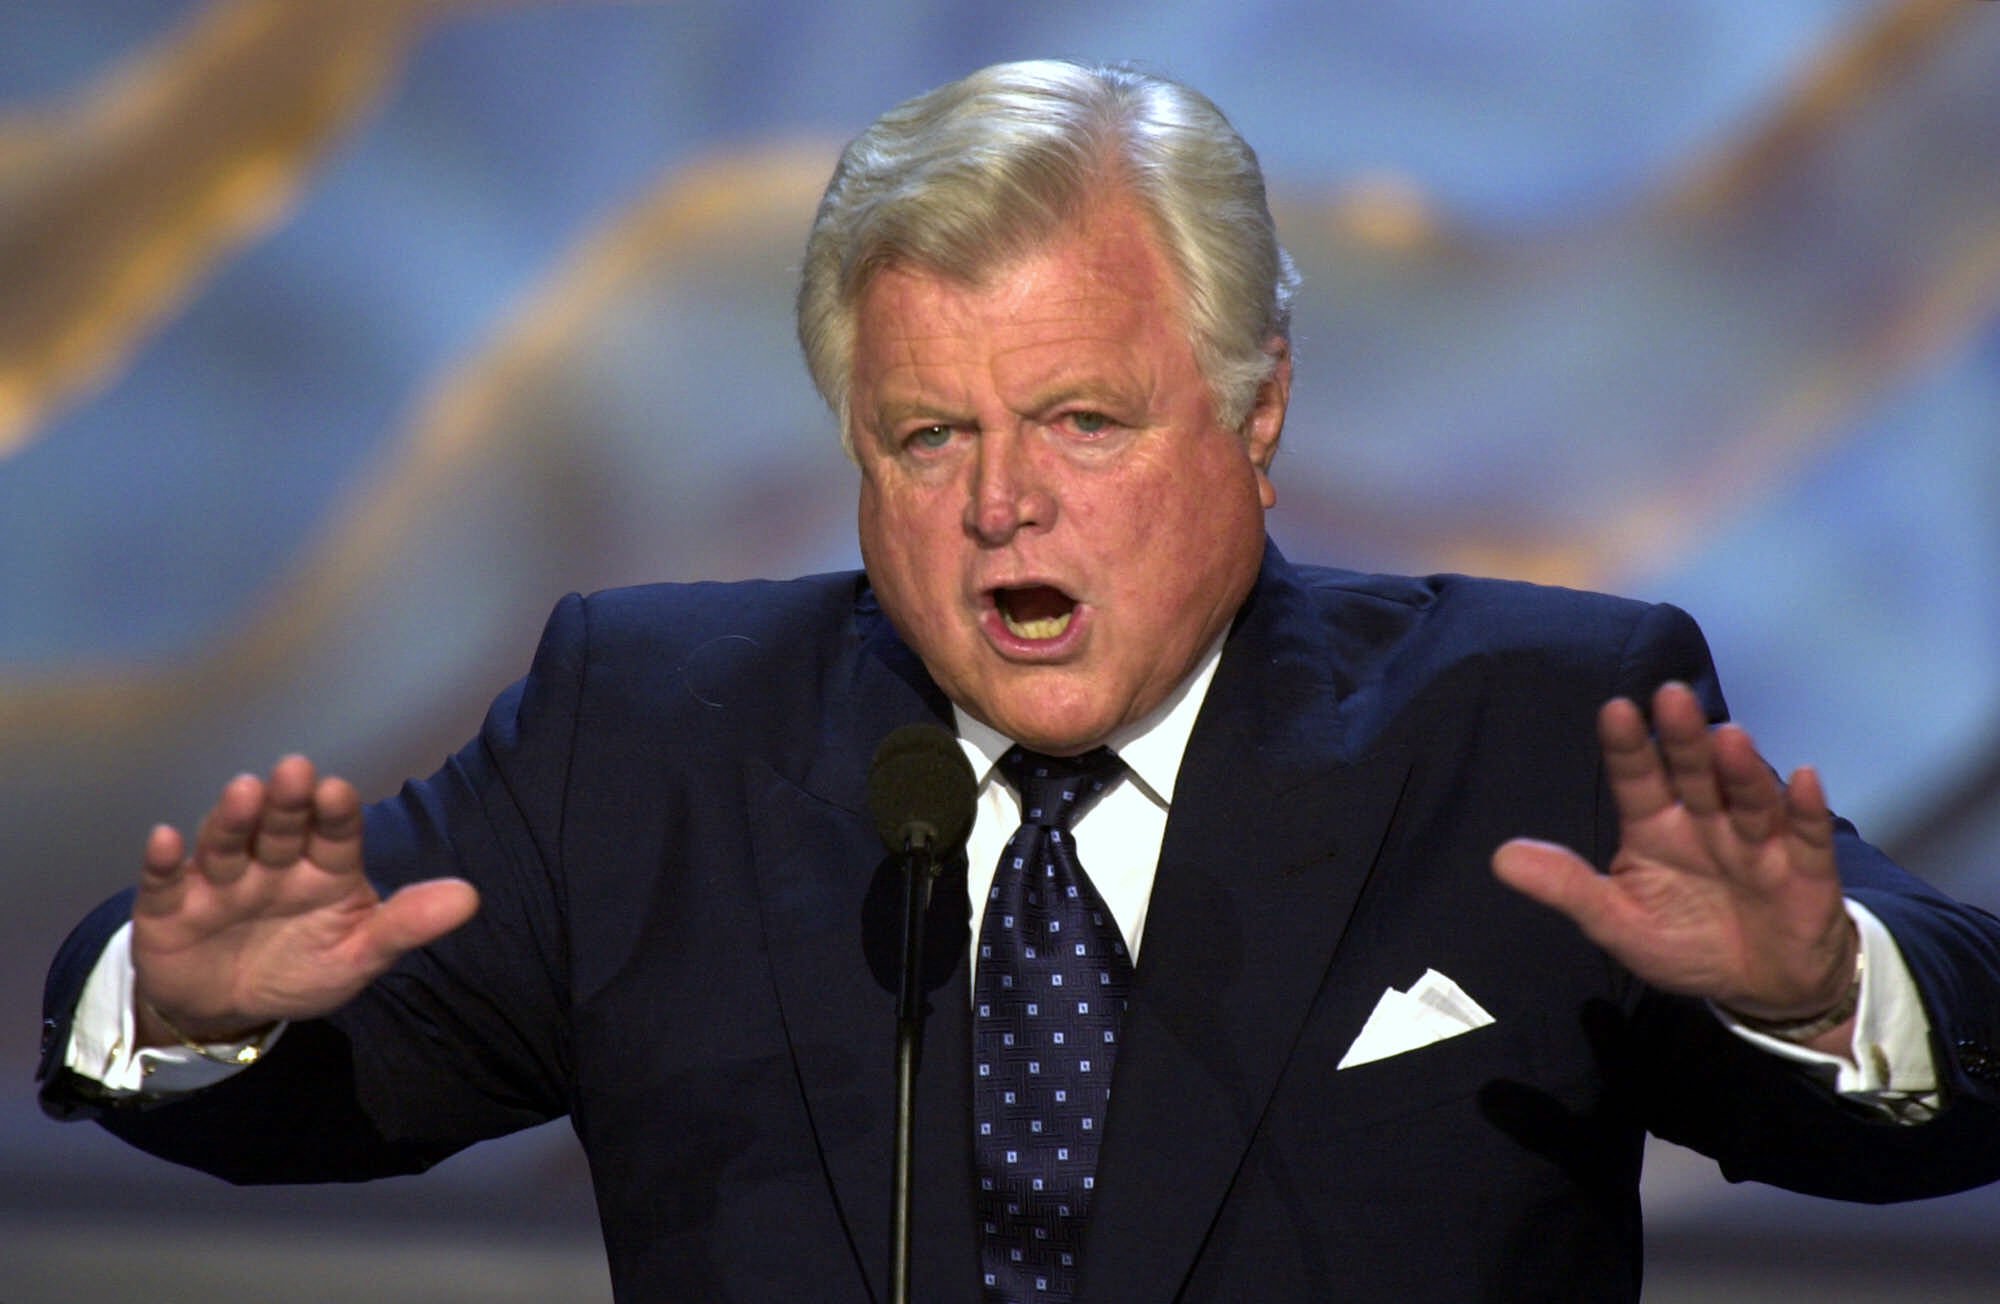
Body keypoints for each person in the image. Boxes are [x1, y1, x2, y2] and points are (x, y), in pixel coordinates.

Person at [38, 59, 2000, 1302]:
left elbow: (1951, 1084)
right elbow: (311, 1079)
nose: (1000, 507)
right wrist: (186, 1005)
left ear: (1256, 412)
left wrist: (1815, 989)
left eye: (1081, 421)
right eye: (926, 437)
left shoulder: (1527, 724)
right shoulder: (650, 730)